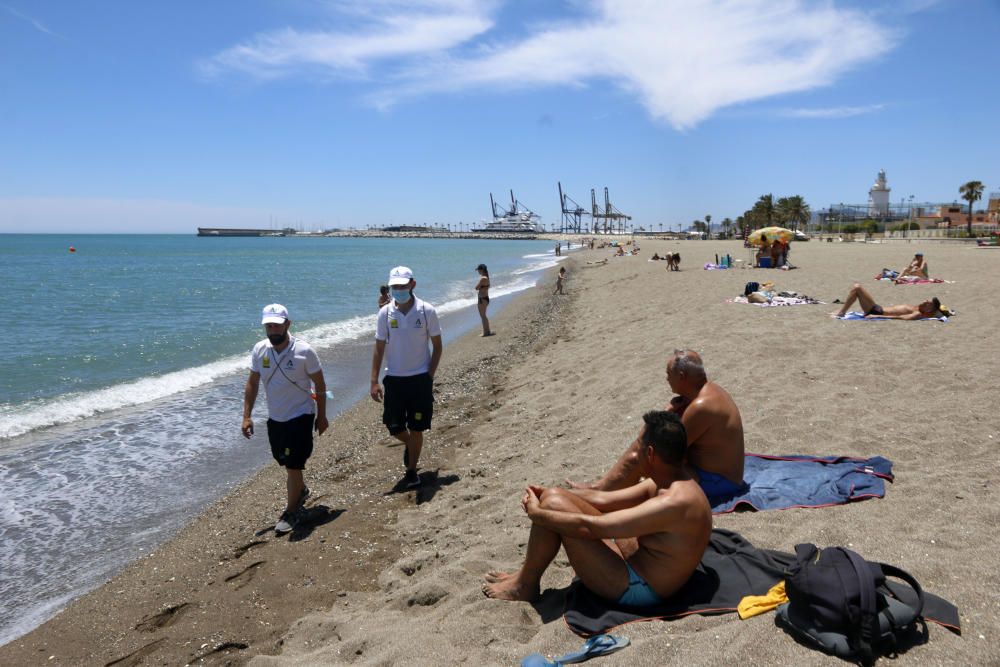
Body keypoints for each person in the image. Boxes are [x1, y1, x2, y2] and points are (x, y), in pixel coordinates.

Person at [483, 411, 712, 606]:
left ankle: (525, 585)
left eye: (638, 446)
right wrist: (548, 491)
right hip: (635, 558)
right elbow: (603, 500)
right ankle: (526, 577)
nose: (634, 453)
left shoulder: (674, 502)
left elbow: (591, 527)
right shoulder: (670, 478)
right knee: (553, 498)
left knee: (552, 508)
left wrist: (537, 513)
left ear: (650, 454)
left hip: (640, 588)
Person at [569, 350, 745, 499]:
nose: (666, 378)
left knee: (641, 457)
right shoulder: (707, 391)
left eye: (669, 374)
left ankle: (601, 495)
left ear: (682, 377)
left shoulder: (700, 407)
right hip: (716, 472)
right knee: (641, 453)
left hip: (719, 482)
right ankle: (600, 488)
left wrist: (666, 412)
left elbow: (668, 450)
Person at [242, 304, 329, 534]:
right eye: (268, 326)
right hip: (276, 418)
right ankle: (300, 492)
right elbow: (252, 383)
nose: (272, 330)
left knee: (293, 465)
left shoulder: (304, 351)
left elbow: (320, 385)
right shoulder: (260, 350)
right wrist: (247, 416)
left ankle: (291, 512)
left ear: (287, 324)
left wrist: (322, 416)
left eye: (277, 325)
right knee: (286, 462)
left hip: (301, 415)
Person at [370, 266, 443, 488]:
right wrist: (373, 381)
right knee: (393, 425)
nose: (398, 290)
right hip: (394, 378)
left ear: (412, 284)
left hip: (420, 378)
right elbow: (379, 347)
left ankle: (411, 471)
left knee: (417, 427)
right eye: (395, 287)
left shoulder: (426, 310)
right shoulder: (385, 313)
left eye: (402, 286)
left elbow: (438, 346)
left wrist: (429, 376)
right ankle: (411, 445)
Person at [832, 283, 942, 319]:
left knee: (857, 288)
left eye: (928, 302)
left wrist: (878, 316)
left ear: (929, 308)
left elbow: (902, 318)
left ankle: (842, 312)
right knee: (857, 288)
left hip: (876, 312)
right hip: (877, 308)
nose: (926, 300)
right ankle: (842, 310)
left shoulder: (918, 313)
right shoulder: (916, 308)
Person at [475, 263, 492, 337]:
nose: (478, 271)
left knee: (483, 316)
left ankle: (485, 332)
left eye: (478, 270)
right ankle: (487, 330)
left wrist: (479, 286)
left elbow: (476, 287)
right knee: (484, 315)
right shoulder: (487, 277)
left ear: (481, 270)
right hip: (485, 298)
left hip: (482, 299)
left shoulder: (483, 278)